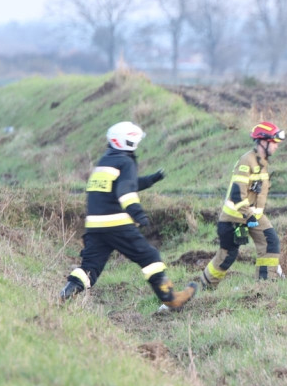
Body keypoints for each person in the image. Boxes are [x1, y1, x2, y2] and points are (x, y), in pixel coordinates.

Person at [59, 121, 197, 310]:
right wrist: (138, 214)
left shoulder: (105, 162)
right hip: (116, 224)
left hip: (94, 226)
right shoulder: (126, 161)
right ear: (128, 143)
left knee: (90, 267)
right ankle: (171, 299)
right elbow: (125, 191)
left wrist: (150, 180)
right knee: (150, 257)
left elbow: (124, 184)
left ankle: (66, 292)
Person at [200, 121, 286, 289]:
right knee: (228, 255)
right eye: (274, 143)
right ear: (263, 142)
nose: (276, 147)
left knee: (270, 242)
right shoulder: (247, 161)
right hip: (234, 217)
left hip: (254, 216)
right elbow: (236, 194)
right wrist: (249, 216)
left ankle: (265, 284)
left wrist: (254, 216)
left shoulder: (262, 162)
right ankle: (207, 285)